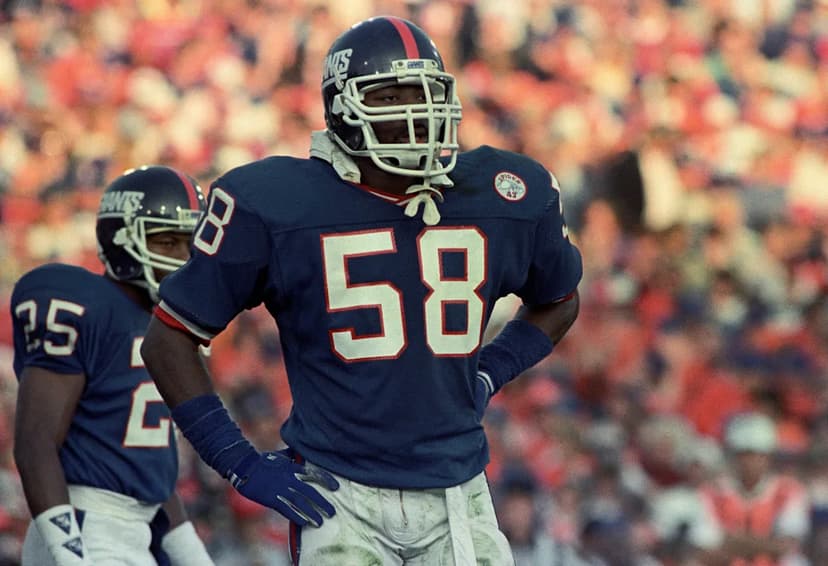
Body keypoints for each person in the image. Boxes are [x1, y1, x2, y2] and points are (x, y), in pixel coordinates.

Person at [141, 16, 581, 566]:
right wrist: (236, 460)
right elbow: (169, 337)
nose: (415, 113)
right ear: (342, 111)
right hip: (337, 491)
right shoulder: (276, 202)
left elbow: (559, 300)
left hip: (457, 488)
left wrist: (490, 370)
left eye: (424, 93)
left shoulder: (505, 192)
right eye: (390, 97)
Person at [11, 165, 215, 565]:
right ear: (122, 240)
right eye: (168, 242)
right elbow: (35, 443)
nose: (184, 258)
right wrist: (70, 553)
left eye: (191, 244)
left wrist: (191, 554)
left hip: (134, 530)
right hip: (84, 523)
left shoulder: (166, 330)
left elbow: (150, 472)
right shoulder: (86, 305)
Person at [696, 412, 810, 566]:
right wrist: (767, 544)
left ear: (769, 456)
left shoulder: (787, 491)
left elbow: (786, 546)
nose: (751, 462)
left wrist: (734, 541)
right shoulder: (713, 492)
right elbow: (707, 549)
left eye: (758, 455)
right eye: (744, 455)